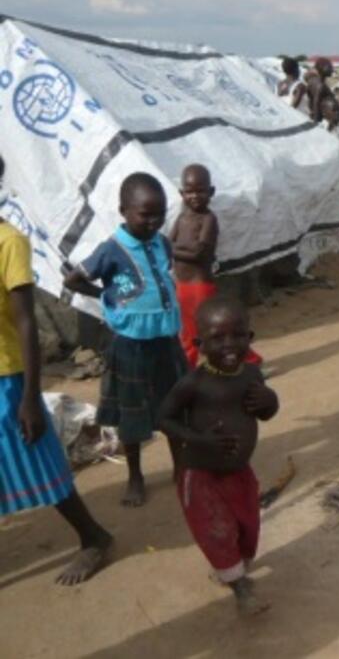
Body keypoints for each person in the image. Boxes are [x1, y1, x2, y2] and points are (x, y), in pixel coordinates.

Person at [0, 155, 113, 585]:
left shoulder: (9, 242)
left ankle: (94, 536)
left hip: (8, 376)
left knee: (39, 459)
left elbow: (26, 321)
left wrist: (31, 396)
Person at [63, 173, 188, 508]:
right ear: (123, 211)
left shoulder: (162, 243)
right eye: (144, 214)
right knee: (132, 415)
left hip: (165, 341)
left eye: (159, 214)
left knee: (175, 406)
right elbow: (74, 279)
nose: (152, 221)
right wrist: (106, 296)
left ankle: (181, 466)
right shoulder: (112, 249)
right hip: (130, 344)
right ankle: (135, 476)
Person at [157, 297, 279, 615]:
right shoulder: (193, 385)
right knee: (217, 528)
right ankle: (241, 592)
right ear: (199, 344)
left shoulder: (252, 375)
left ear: (249, 338)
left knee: (247, 527)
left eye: (238, 335)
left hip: (239, 473)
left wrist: (270, 400)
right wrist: (199, 441)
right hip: (201, 475)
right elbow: (164, 419)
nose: (229, 344)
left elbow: (265, 413)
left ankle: (230, 569)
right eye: (217, 337)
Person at [170, 164, 219, 369]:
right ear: (182, 193)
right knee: (191, 330)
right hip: (182, 286)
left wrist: (175, 249)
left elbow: (200, 253)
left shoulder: (209, 219)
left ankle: (247, 361)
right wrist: (182, 249)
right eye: (189, 191)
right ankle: (187, 368)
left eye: (201, 191)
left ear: (211, 192)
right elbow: (168, 243)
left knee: (209, 329)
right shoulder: (181, 219)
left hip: (201, 286)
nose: (195, 196)